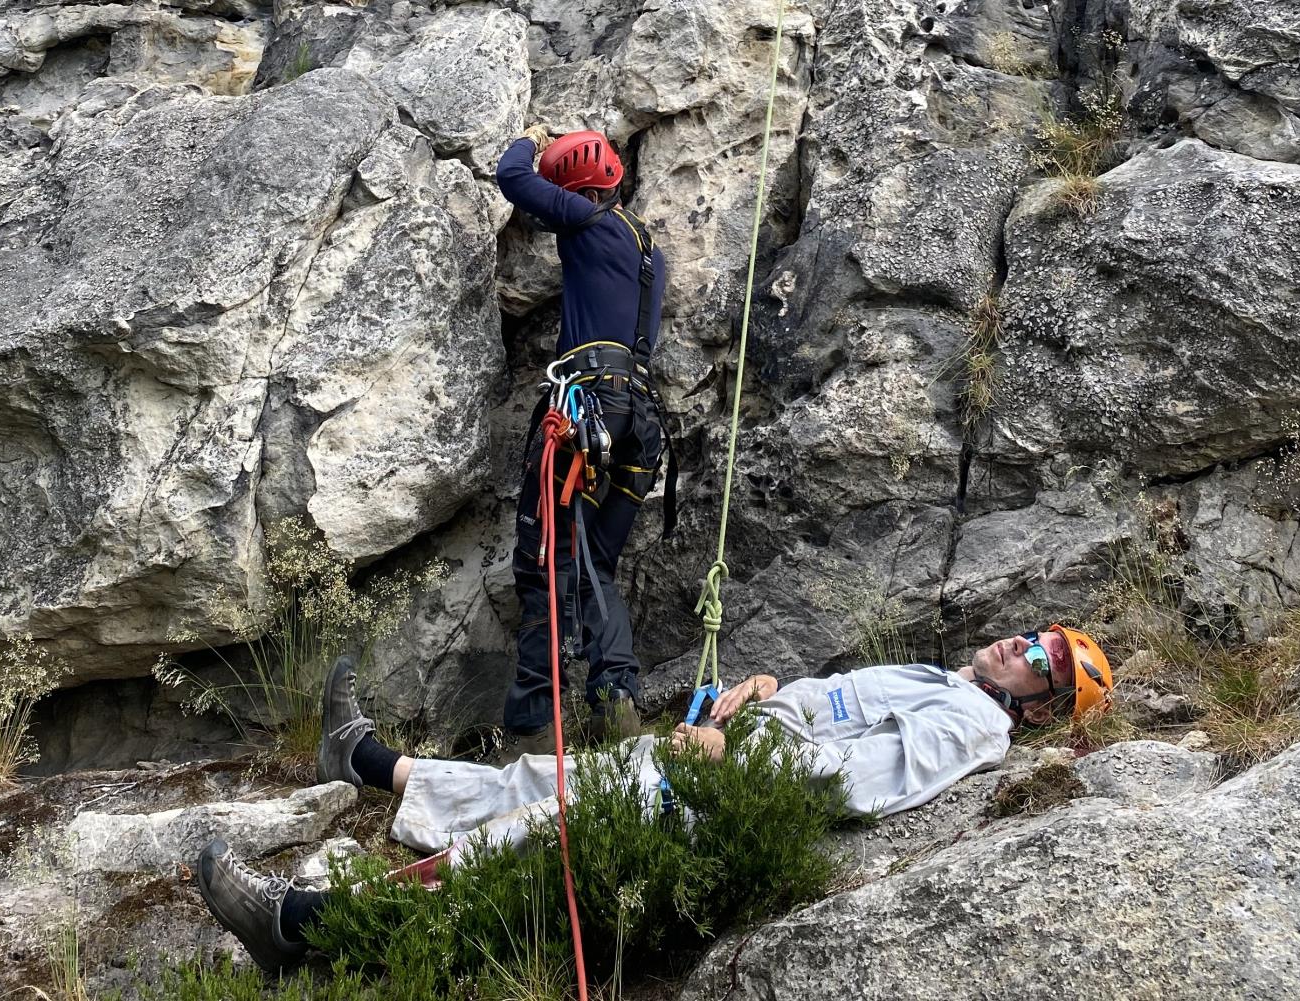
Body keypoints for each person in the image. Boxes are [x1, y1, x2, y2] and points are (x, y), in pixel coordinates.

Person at [195, 626, 1116, 971]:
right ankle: (366, 760)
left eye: (1045, 665)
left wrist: (736, 752)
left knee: (524, 842)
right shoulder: (943, 677)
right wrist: (762, 691)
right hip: (720, 752)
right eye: (1036, 636)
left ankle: (304, 928)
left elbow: (858, 779)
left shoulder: (972, 725)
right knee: (541, 780)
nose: (1023, 649)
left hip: (714, 788)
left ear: (1036, 710)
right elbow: (834, 719)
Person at [493, 124, 669, 753]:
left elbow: (512, 179)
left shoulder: (587, 222)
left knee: (544, 561)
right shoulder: (648, 248)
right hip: (639, 426)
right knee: (593, 562)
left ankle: (534, 725)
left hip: (584, 411)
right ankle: (616, 696)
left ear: (579, 191)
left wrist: (524, 139)